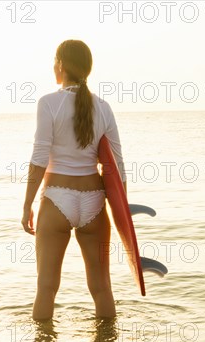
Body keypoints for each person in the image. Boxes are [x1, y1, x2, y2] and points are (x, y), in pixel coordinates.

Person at [21, 39, 127, 320]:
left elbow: (39, 158)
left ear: (61, 65)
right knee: (102, 288)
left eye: (54, 62)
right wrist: (121, 214)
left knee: (46, 289)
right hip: (94, 202)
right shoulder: (103, 107)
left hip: (57, 198)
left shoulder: (48, 103)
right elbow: (116, 166)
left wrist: (27, 206)